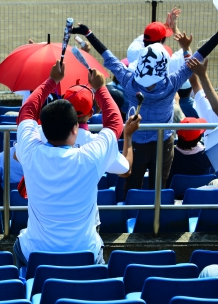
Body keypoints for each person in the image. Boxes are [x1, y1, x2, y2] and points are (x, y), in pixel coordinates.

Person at [13, 60, 140, 267]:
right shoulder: (90, 156)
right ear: (75, 128)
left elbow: (27, 111)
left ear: (42, 128)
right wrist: (100, 88)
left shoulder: (30, 150)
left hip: (35, 254)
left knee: (20, 246)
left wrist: (52, 80)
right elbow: (115, 123)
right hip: (85, 254)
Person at [73, 22, 218, 196]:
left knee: (132, 186)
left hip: (137, 142)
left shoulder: (129, 81)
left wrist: (88, 33)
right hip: (163, 143)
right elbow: (199, 56)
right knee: (159, 188)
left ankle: (129, 213)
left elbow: (108, 57)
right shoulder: (172, 83)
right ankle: (153, 217)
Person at [126, 8, 191, 73]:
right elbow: (188, 52)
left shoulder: (132, 52)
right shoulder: (169, 62)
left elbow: (148, 34)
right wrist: (174, 28)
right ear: (161, 41)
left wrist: (165, 26)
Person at [165, 117, 212, 195]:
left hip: (173, 195)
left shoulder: (168, 155)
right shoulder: (207, 157)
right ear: (198, 138)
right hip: (199, 195)